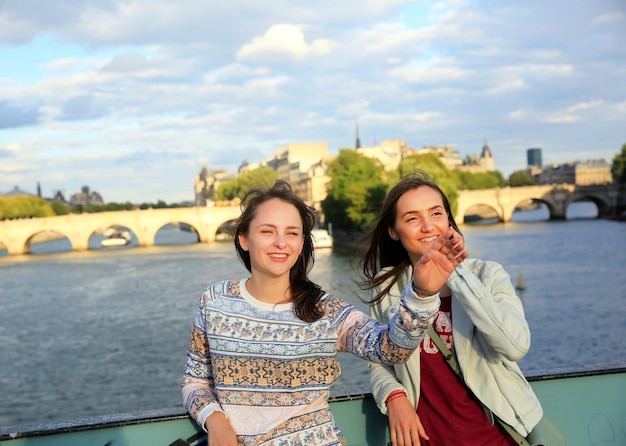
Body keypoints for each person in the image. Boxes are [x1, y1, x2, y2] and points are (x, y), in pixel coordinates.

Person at [181, 180, 466, 446]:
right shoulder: (215, 300)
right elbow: (195, 382)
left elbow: (390, 350)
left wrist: (422, 294)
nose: (281, 242)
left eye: (292, 233)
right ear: (244, 239)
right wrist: (214, 419)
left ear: (302, 242)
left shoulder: (324, 310)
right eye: (268, 231)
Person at [360, 172, 543, 446]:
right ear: (393, 231)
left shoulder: (488, 275)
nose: (428, 226)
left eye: (436, 213)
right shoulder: (387, 288)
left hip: (498, 439)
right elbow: (378, 362)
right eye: (412, 218)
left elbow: (515, 345)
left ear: (448, 220)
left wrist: (456, 272)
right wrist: (394, 396)